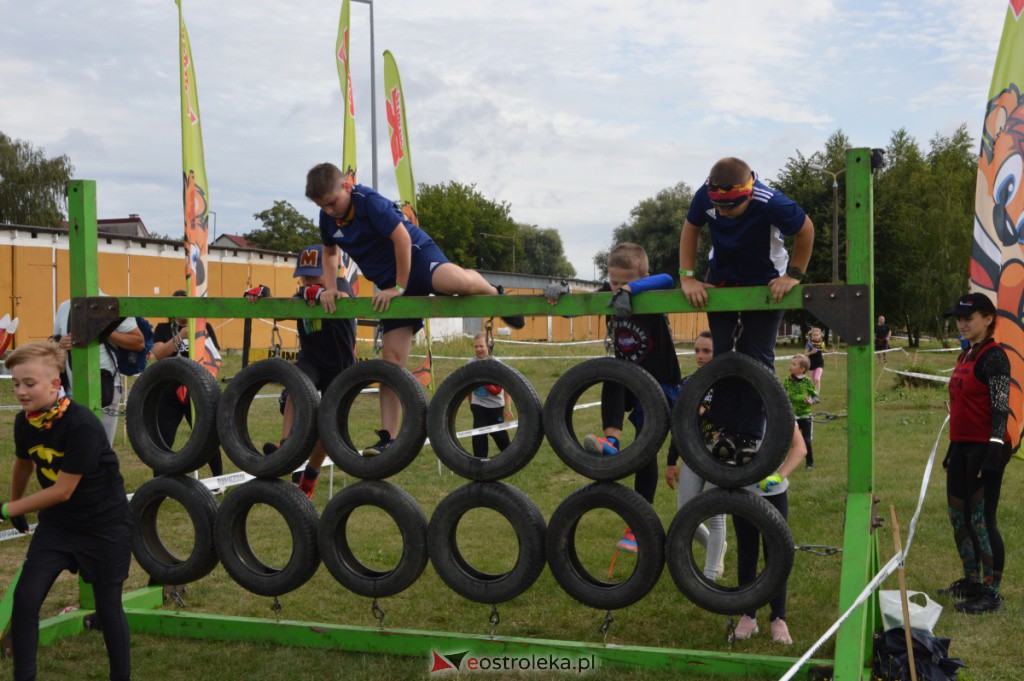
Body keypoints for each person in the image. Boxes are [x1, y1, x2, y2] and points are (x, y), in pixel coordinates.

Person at [305, 163, 525, 456]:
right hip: (389, 282)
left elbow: (403, 239)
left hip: (416, 257)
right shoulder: (327, 218)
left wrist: (399, 287)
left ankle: (494, 293)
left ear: (346, 186)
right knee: (391, 360)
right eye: (323, 206)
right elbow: (330, 253)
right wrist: (331, 287)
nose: (329, 210)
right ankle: (388, 438)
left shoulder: (370, 203)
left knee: (454, 282)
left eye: (332, 203)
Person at [4, 342, 133, 681]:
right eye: (15, 383)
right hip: (58, 527)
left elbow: (63, 490)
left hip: (105, 525)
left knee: (108, 607)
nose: (20, 391)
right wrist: (17, 503)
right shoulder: (25, 422)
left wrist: (7, 508)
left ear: (55, 382)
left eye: (29, 383)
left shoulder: (82, 426)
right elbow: (23, 463)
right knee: (26, 600)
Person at [678, 157, 814, 464]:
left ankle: (751, 434)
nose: (724, 214)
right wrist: (688, 278)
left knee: (756, 355)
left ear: (748, 194)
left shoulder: (770, 201)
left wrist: (793, 275)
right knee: (723, 354)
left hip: (765, 282)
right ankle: (725, 431)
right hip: (722, 280)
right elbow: (691, 229)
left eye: (731, 208)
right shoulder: (706, 195)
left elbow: (805, 230)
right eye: (720, 209)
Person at [549, 242, 681, 553]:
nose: (617, 287)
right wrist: (559, 291)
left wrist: (633, 290)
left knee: (645, 450)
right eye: (614, 281)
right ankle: (611, 440)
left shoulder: (651, 291)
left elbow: (667, 278)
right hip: (629, 380)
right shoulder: (606, 291)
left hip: (661, 383)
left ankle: (639, 524)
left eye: (625, 281)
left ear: (641, 276)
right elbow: (579, 303)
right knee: (613, 372)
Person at [246, 244, 358, 497]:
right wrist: (263, 294)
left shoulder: (340, 284)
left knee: (329, 426)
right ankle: (286, 443)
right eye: (304, 275)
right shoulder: (302, 293)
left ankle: (311, 473)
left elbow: (347, 299)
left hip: (339, 366)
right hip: (311, 359)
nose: (307, 280)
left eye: (313, 275)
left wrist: (323, 291)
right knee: (295, 383)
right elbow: (281, 312)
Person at [938, 293, 1010, 614]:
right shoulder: (965, 356)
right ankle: (971, 580)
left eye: (970, 318)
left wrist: (993, 452)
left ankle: (991, 592)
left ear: (988, 319)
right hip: (963, 446)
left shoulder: (994, 356)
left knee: (981, 519)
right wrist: (953, 448)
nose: (963, 323)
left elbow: (1000, 408)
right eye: (960, 318)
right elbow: (962, 408)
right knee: (958, 516)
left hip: (987, 446)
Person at [730, 423, 807, 645]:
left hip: (774, 493)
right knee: (747, 553)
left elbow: (800, 447)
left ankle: (779, 619)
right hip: (742, 493)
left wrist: (779, 476)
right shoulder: (739, 411)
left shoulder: (778, 409)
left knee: (776, 555)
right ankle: (748, 617)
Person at [665, 330, 727, 580]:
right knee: (685, 515)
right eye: (697, 350)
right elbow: (680, 425)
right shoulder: (687, 383)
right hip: (692, 452)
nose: (700, 356)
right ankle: (718, 544)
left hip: (719, 455)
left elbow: (734, 420)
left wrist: (705, 413)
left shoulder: (728, 383)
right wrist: (671, 461)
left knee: (715, 514)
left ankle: (710, 575)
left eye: (706, 351)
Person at [150, 291, 224, 483]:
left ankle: (219, 479)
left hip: (197, 390)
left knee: (207, 435)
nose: (182, 311)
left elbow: (214, 357)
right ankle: (160, 483)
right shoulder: (163, 328)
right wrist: (179, 338)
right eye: (178, 306)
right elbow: (158, 354)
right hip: (168, 391)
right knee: (163, 437)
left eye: (186, 305)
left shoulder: (203, 326)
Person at [53, 293, 145, 445]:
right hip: (70, 389)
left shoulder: (111, 305)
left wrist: (104, 331)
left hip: (105, 388)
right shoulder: (64, 307)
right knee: (72, 446)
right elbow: (53, 342)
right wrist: (59, 343)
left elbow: (138, 342)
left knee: (101, 447)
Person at [464, 332, 514, 458]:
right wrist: (471, 404)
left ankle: (510, 458)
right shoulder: (470, 364)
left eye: (481, 346)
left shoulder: (496, 363)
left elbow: (508, 386)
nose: (478, 349)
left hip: (496, 406)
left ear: (488, 345)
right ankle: (480, 462)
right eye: (476, 347)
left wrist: (507, 407)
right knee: (478, 435)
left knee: (500, 435)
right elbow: (466, 387)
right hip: (478, 405)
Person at [785, 354, 818, 470]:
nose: (790, 366)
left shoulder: (808, 382)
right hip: (792, 416)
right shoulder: (787, 381)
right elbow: (782, 394)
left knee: (806, 440)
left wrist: (811, 401)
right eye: (791, 363)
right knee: (788, 440)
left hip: (805, 416)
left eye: (794, 364)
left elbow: (816, 397)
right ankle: (785, 462)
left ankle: (809, 463)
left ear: (802, 369)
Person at [805, 326, 826, 395]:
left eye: (817, 335)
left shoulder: (821, 344)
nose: (815, 336)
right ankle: (814, 394)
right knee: (814, 381)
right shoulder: (810, 345)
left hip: (820, 363)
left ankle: (817, 396)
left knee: (817, 379)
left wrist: (830, 351)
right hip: (812, 365)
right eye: (814, 335)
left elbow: (823, 350)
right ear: (811, 336)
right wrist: (811, 352)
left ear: (820, 336)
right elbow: (805, 354)